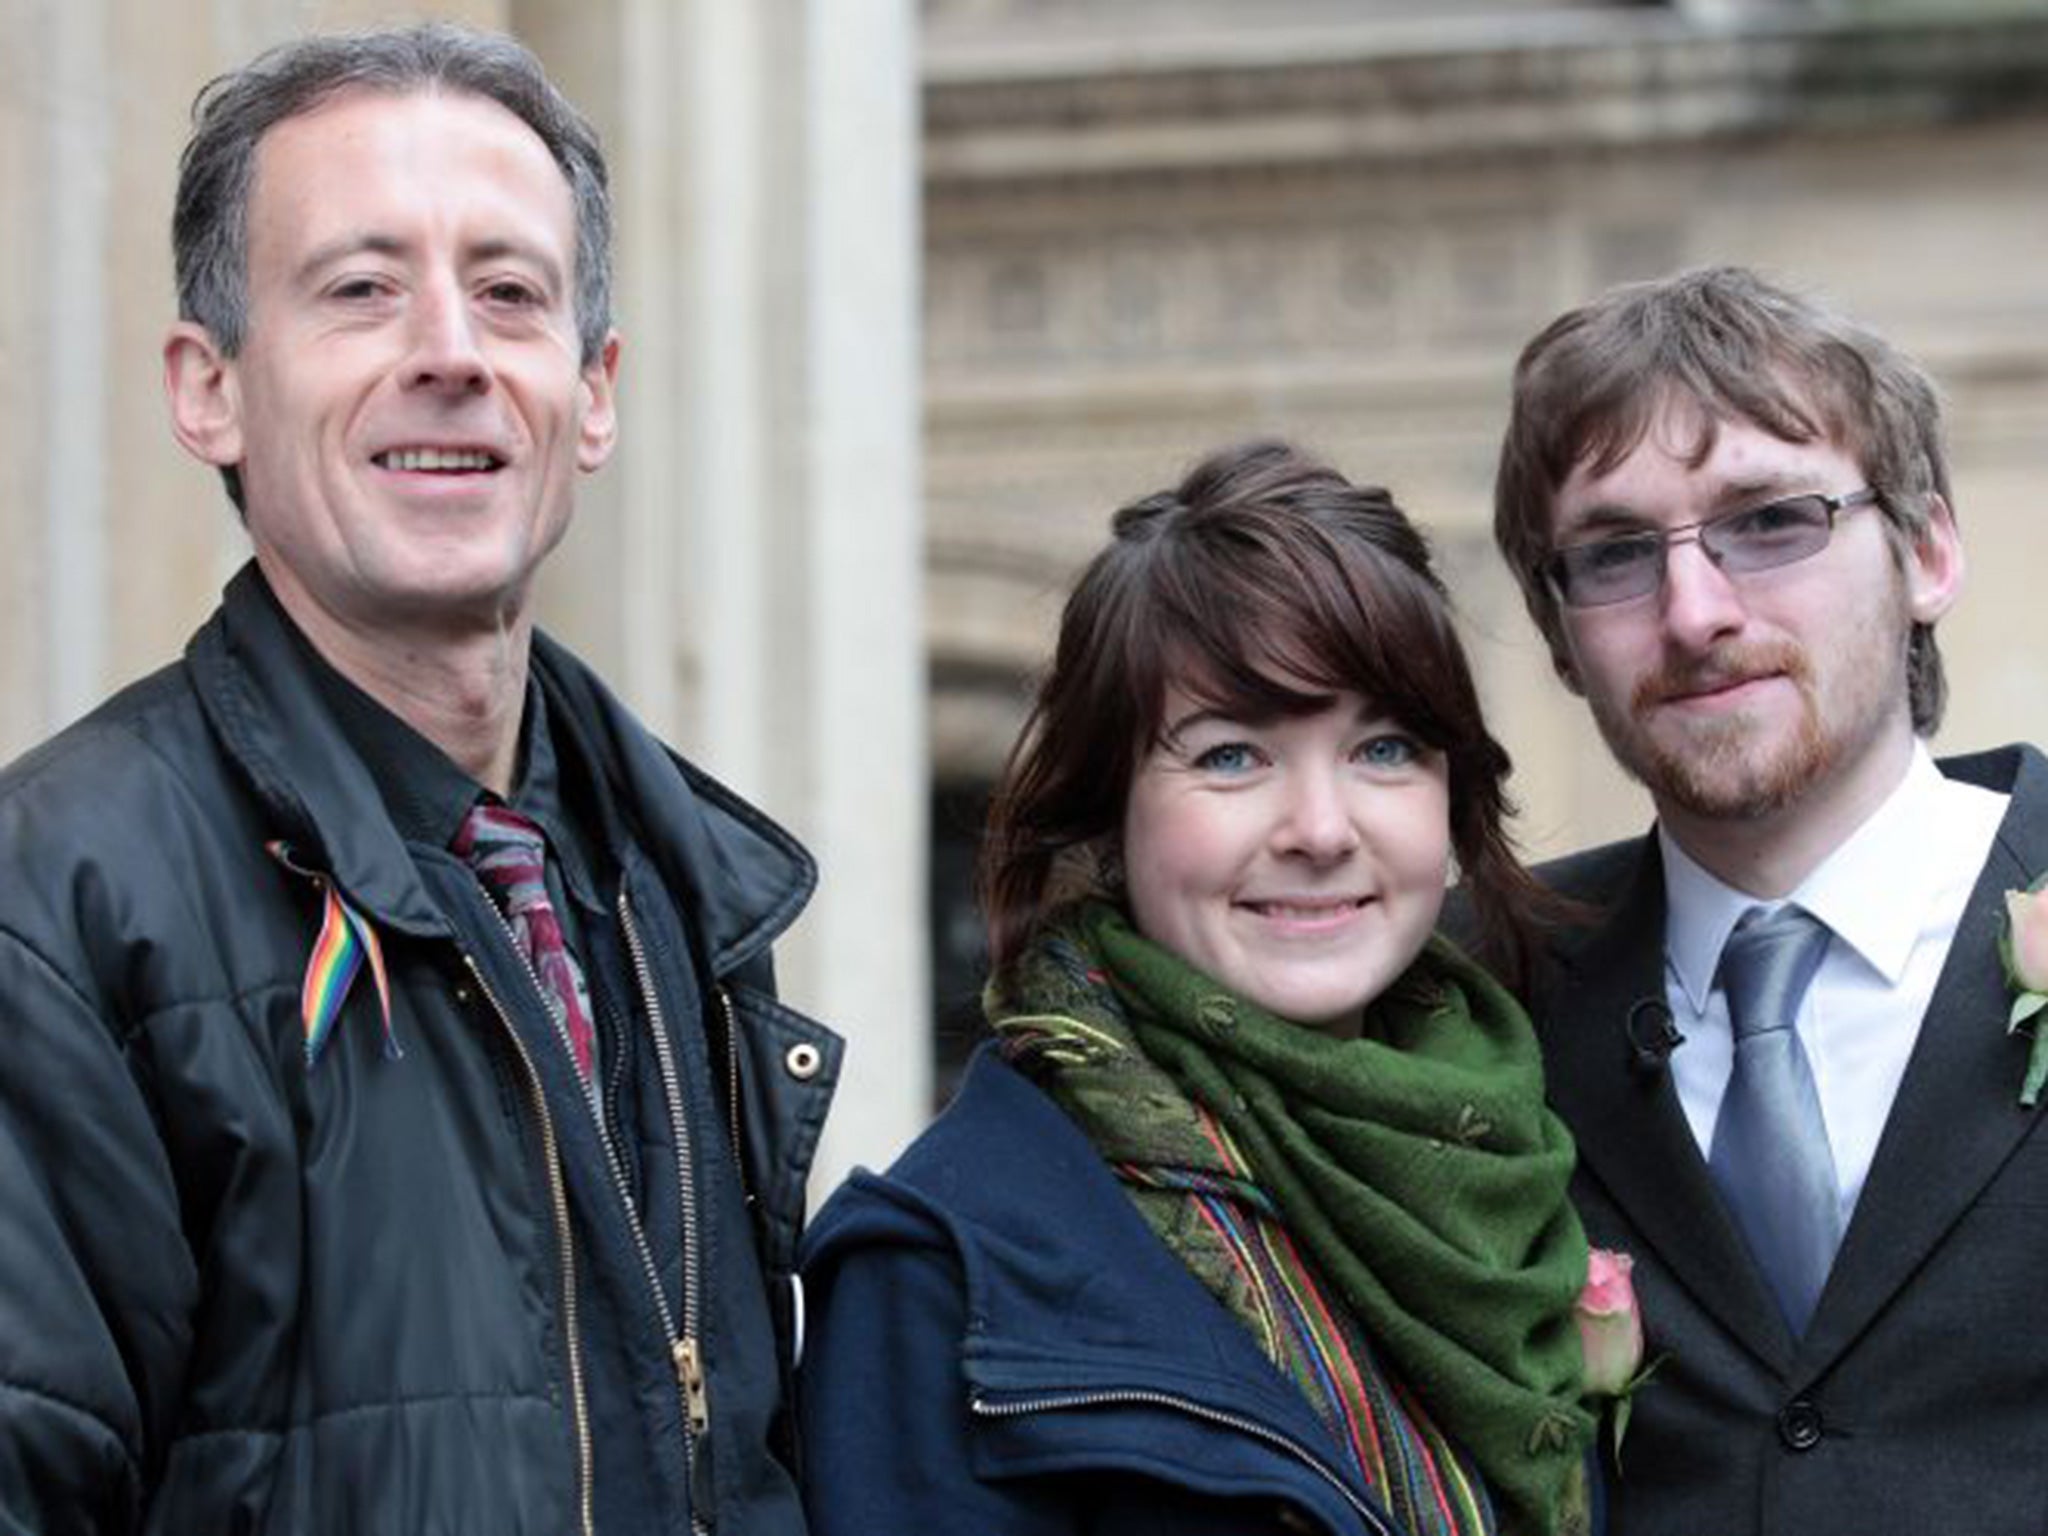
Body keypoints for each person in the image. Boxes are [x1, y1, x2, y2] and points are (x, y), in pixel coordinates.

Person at [0, 24, 840, 1535]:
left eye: (510, 293)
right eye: (361, 290)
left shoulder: (677, 895)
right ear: (211, 392)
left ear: (591, 395)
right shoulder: (57, 903)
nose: (450, 352)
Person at [800, 440, 1610, 1536]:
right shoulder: (939, 1271)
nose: (1319, 830)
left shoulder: (1532, 1163)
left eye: (1382, 749)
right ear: (1108, 816)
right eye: (1231, 756)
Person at [1491, 264, 2046, 1533]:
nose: (1693, 612)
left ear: (1925, 551)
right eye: (1615, 553)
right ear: (1557, 632)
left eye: (1770, 520)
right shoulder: (1478, 997)